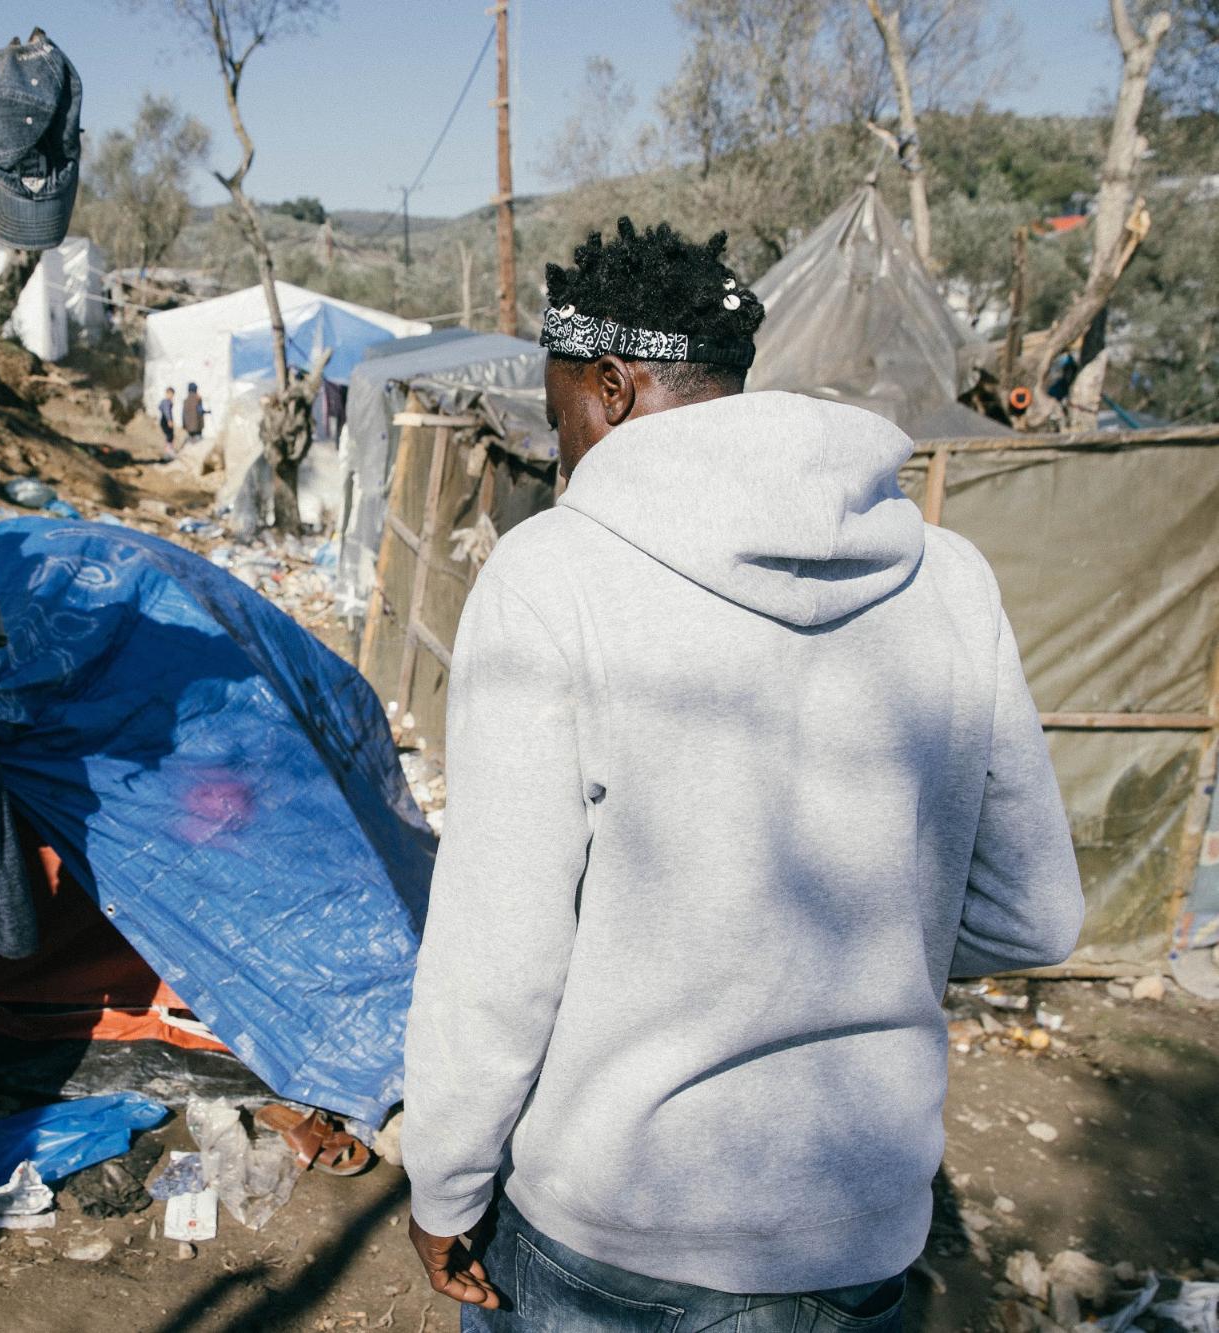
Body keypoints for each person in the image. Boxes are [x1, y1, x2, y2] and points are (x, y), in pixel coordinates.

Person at [401, 219, 1083, 1331]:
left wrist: (444, 1182)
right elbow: (1033, 914)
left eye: (558, 401)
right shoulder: (947, 576)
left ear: (612, 388)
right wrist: (844, 954)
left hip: (617, 1235)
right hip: (857, 1234)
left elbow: (499, 951)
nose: (557, 442)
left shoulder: (554, 575)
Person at [158, 386, 176, 453]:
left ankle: (169, 449)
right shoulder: (166, 402)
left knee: (169, 435)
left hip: (164, 420)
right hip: (166, 420)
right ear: (168, 393)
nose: (172, 396)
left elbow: (160, 407)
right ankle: (169, 450)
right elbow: (167, 411)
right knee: (169, 435)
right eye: (171, 394)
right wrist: (169, 420)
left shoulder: (164, 401)